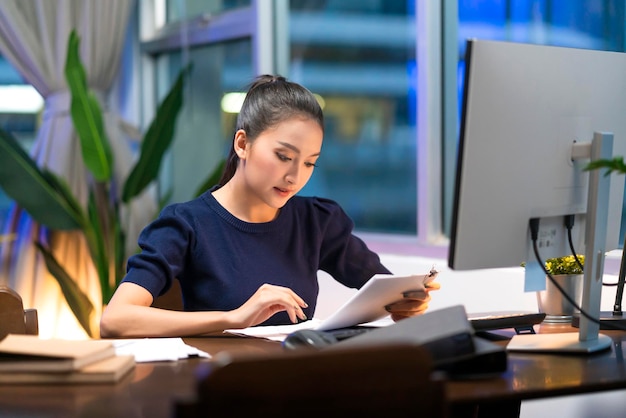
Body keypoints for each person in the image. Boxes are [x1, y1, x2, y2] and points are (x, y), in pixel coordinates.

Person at [100, 75, 440, 338]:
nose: (295, 176)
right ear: (243, 143)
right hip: (222, 387)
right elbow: (115, 319)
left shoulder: (317, 222)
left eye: (309, 163)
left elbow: (382, 287)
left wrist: (407, 300)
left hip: (297, 385)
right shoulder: (187, 224)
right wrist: (235, 319)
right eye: (284, 157)